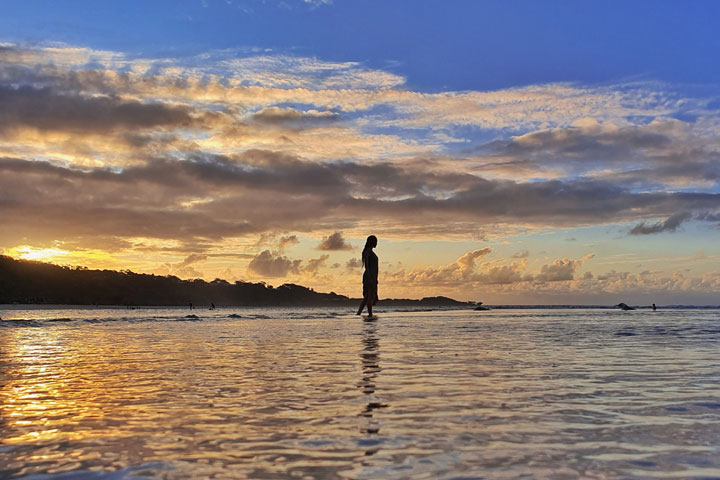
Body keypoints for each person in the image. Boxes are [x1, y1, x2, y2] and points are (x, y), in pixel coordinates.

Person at [357, 235, 379, 316]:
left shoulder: (371, 252)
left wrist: (375, 278)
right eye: (375, 241)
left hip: (373, 276)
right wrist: (370, 277)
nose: (377, 243)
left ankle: (359, 313)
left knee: (367, 297)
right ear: (372, 242)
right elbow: (367, 266)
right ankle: (370, 314)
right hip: (369, 276)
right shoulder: (368, 252)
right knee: (370, 296)